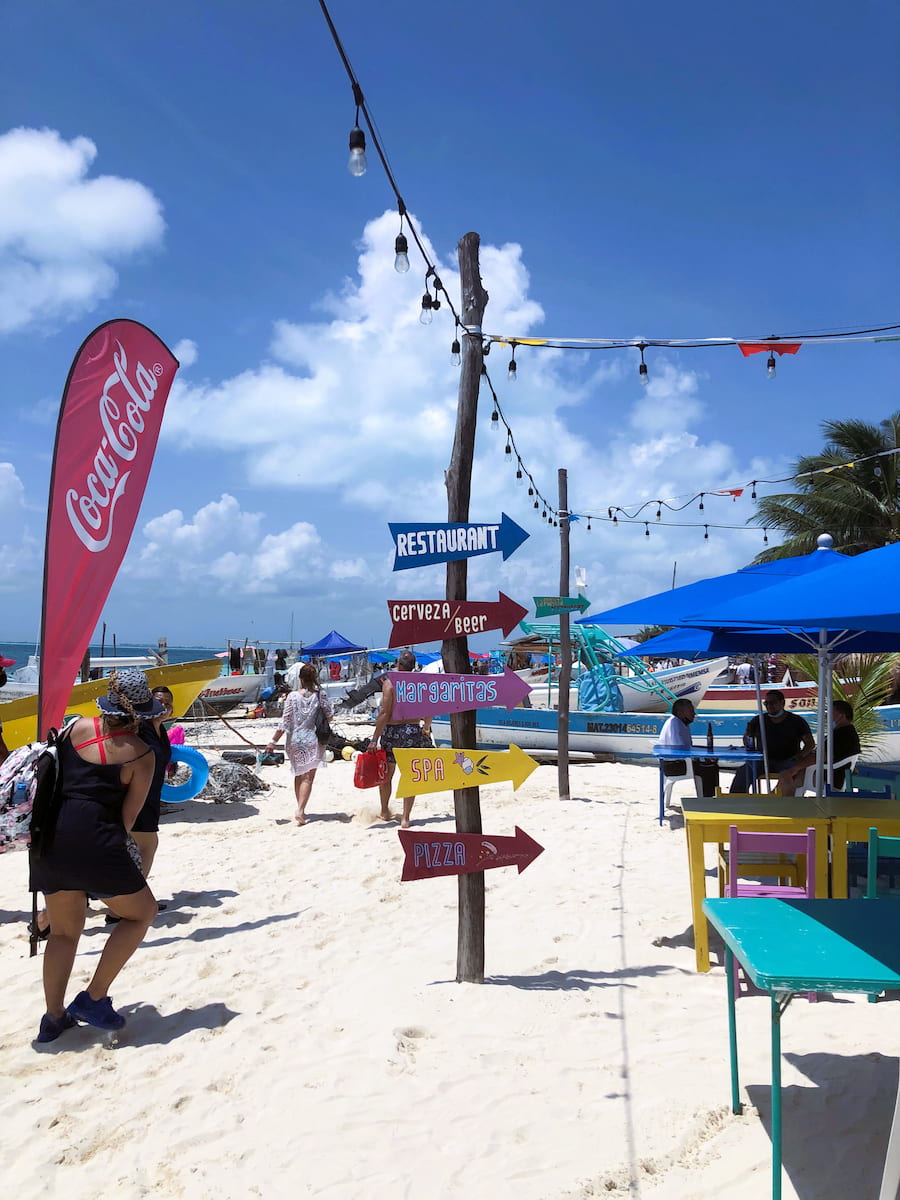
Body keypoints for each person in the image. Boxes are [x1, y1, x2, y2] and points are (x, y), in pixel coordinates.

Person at [28, 668, 161, 1043]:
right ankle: (94, 996)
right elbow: (129, 817)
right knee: (142, 913)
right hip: (98, 840)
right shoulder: (141, 755)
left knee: (65, 932)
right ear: (141, 710)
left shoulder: (74, 728)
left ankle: (53, 1018)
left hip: (51, 838)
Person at [368, 649, 432, 828]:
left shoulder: (390, 683)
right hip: (412, 730)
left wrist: (374, 738)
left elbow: (385, 712)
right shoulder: (419, 683)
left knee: (387, 774)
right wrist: (426, 729)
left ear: (398, 664)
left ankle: (384, 811)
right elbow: (429, 710)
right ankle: (405, 817)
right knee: (410, 775)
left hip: (392, 731)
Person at [265, 662, 333, 826]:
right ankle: (301, 809)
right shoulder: (320, 695)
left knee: (298, 773)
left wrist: (272, 742)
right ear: (314, 678)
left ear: (300, 679)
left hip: (294, 739)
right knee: (308, 777)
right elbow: (329, 716)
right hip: (312, 738)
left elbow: (285, 722)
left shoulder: (292, 696)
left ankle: (300, 807)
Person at [730, 689, 815, 795]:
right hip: (762, 760)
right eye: (767, 703)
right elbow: (747, 741)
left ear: (782, 703)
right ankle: (735, 801)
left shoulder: (796, 721)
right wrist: (747, 735)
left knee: (793, 773)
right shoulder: (758, 720)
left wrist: (800, 755)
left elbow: (810, 743)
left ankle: (782, 801)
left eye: (773, 702)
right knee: (743, 772)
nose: (769, 706)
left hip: (788, 760)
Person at [778, 699, 861, 794]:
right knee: (792, 772)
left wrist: (794, 769)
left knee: (787, 774)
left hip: (830, 776)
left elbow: (821, 757)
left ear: (841, 715)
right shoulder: (845, 732)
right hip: (830, 772)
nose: (826, 716)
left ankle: (787, 802)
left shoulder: (843, 735)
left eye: (830, 712)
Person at [657, 699, 719, 797]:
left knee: (710, 764)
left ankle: (709, 797)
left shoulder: (679, 723)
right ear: (680, 712)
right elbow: (681, 751)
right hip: (675, 765)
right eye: (691, 711)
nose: (694, 714)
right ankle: (707, 799)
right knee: (708, 768)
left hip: (675, 762)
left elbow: (687, 748)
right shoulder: (675, 724)